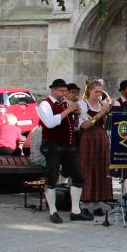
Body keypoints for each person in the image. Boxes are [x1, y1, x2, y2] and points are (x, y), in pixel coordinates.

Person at [36, 79, 92, 224]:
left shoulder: (66, 104)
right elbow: (50, 123)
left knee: (78, 176)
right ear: (53, 90)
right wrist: (68, 110)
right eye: (61, 91)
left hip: (69, 145)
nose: (63, 94)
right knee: (52, 177)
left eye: (65, 91)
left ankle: (75, 210)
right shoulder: (45, 104)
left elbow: (80, 125)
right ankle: (53, 211)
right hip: (52, 145)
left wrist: (79, 114)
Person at [78, 80, 113, 216]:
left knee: (101, 168)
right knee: (88, 167)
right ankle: (86, 203)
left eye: (100, 92)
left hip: (101, 137)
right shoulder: (83, 104)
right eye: (96, 92)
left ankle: (98, 202)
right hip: (89, 137)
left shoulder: (101, 104)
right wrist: (100, 113)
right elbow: (84, 125)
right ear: (89, 91)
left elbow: (104, 124)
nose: (98, 95)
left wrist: (105, 114)